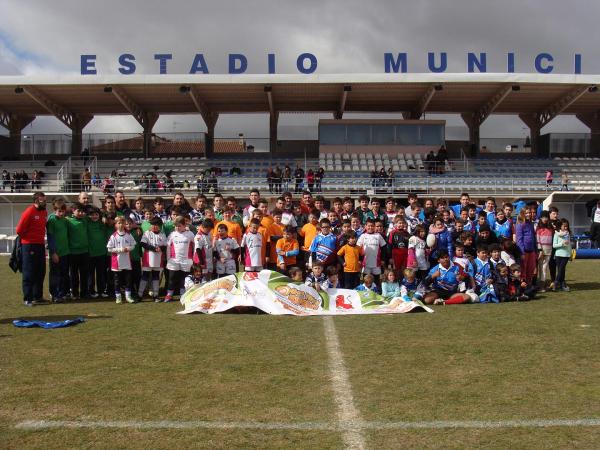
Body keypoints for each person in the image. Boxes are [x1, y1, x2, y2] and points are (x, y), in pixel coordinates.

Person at [165, 216, 195, 302]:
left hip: (187, 260)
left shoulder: (190, 234)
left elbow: (195, 246)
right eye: (176, 226)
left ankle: (183, 294)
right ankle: (169, 295)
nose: (177, 228)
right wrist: (168, 259)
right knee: (172, 278)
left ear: (184, 225)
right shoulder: (172, 234)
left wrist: (193, 258)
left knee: (184, 278)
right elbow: (168, 247)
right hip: (174, 260)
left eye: (179, 226)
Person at [107, 216, 136, 304]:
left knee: (128, 280)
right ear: (115, 225)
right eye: (118, 223)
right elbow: (109, 249)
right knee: (117, 281)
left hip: (127, 261)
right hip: (117, 262)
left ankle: (128, 297)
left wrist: (128, 248)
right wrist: (120, 250)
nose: (121, 225)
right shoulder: (113, 236)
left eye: (122, 223)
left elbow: (133, 245)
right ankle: (118, 297)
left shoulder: (128, 235)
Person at [139, 216, 167, 302]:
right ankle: (140, 295)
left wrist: (161, 248)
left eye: (155, 225)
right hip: (148, 259)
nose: (153, 226)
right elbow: (143, 244)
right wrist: (154, 248)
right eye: (152, 225)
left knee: (156, 276)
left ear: (160, 226)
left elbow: (165, 246)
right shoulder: (147, 233)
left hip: (158, 259)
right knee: (145, 276)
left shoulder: (162, 235)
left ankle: (156, 295)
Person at [47, 199, 69, 303]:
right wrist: (53, 252)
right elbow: (50, 237)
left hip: (65, 252)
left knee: (64, 274)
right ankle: (54, 294)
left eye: (63, 211)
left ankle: (62, 293)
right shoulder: (51, 220)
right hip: (56, 253)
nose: (61, 213)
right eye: (59, 211)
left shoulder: (65, 220)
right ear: (54, 210)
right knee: (55, 275)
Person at [67, 202, 90, 300]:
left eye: (82, 211)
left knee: (84, 274)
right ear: (73, 211)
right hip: (73, 253)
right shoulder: (68, 221)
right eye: (78, 211)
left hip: (84, 252)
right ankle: (74, 293)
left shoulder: (85, 220)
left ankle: (84, 293)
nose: (81, 213)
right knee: (74, 275)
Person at [553, 218, 573, 292]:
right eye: (564, 226)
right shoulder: (556, 234)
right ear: (560, 226)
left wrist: (570, 254)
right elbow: (554, 245)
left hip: (566, 255)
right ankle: (561, 284)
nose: (566, 228)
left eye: (566, 226)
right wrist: (562, 244)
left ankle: (556, 283)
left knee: (561, 269)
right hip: (558, 254)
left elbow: (569, 245)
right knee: (561, 270)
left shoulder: (568, 234)